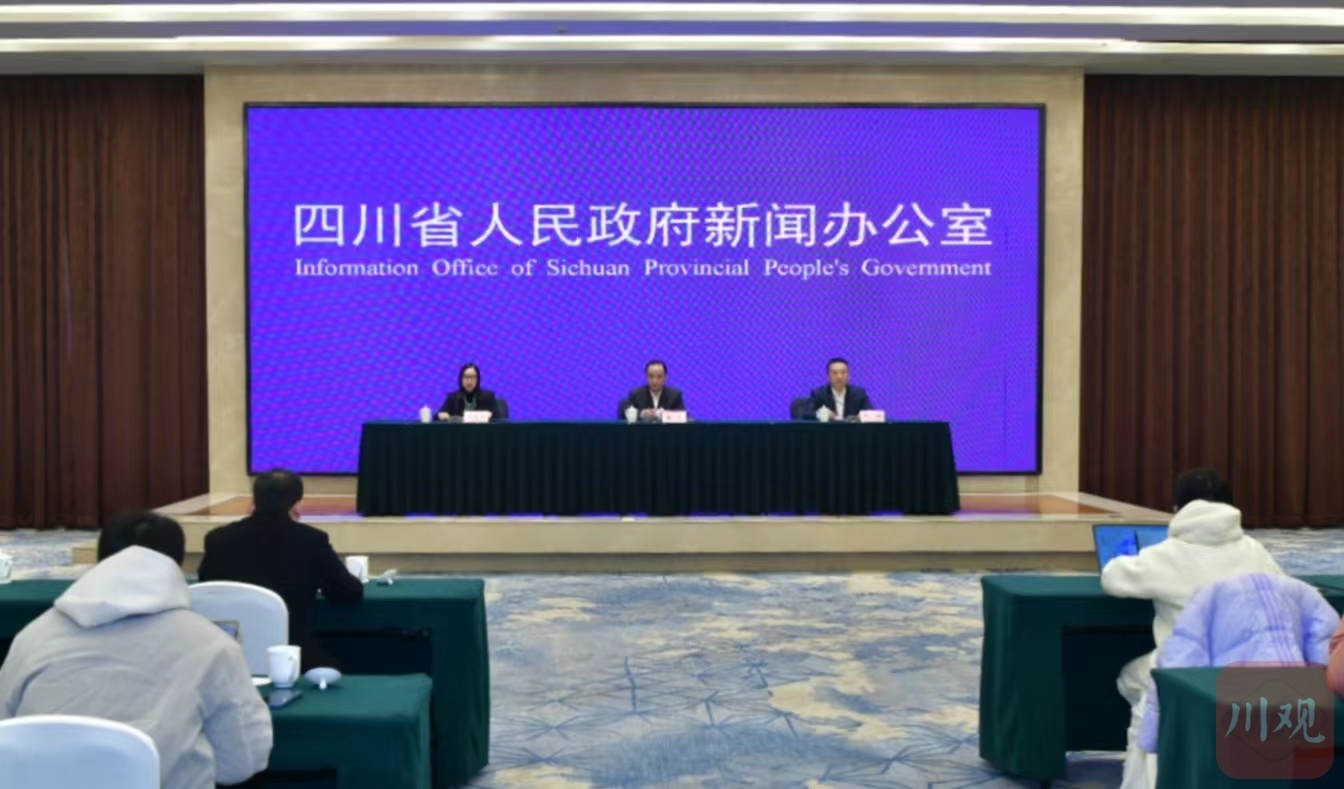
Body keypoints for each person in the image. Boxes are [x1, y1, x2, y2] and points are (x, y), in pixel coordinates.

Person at [0, 512, 272, 789]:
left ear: (100, 558)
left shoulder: (33, 637)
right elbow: (241, 762)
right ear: (177, 564)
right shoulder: (212, 644)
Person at [1101, 468, 1284, 789]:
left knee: (1133, 680)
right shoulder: (1254, 549)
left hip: (1184, 672)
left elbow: (1112, 577)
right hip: (1253, 670)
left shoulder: (1165, 554)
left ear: (1177, 509)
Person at [1137, 573, 1338, 782]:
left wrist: (1153, 737)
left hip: (1233, 719)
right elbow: (1325, 646)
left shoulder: (1204, 597)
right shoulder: (1297, 588)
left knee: (1137, 686)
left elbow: (1178, 664)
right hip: (1295, 711)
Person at [199, 469, 364, 671]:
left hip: (231, 654)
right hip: (293, 657)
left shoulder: (219, 539)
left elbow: (207, 586)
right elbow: (348, 592)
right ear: (297, 503)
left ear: (254, 500)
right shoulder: (311, 541)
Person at [808, 358, 874, 422]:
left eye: (843, 372)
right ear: (828, 376)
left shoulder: (859, 394)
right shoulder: (818, 394)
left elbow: (870, 412)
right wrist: (824, 414)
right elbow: (808, 414)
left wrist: (862, 416)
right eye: (835, 373)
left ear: (849, 375)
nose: (839, 377)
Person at [620, 359, 686, 420]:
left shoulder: (674, 395)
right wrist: (642, 413)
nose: (655, 381)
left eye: (659, 377)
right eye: (651, 376)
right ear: (646, 377)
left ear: (665, 377)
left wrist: (663, 415)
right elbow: (623, 413)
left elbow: (683, 416)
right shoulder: (636, 394)